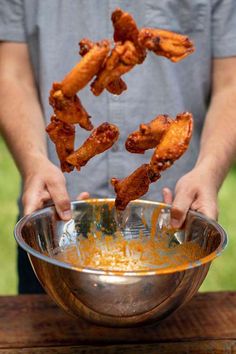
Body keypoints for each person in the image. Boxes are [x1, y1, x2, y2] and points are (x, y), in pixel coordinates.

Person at [0, 0, 236, 294]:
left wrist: (209, 171)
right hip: (55, 220)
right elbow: (12, 74)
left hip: (171, 222)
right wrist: (34, 161)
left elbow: (231, 81)